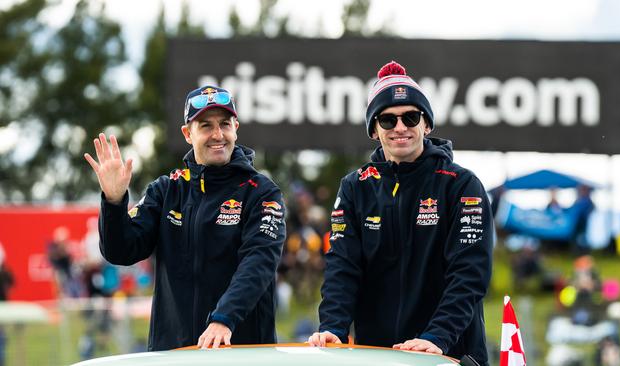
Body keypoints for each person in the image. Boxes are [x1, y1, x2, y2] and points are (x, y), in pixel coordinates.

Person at [308, 61, 494, 365]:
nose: (400, 127)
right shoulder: (355, 187)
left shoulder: (462, 185)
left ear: (427, 124)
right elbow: (343, 267)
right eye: (387, 120)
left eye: (411, 117)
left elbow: (470, 273)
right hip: (378, 356)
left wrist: (437, 337)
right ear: (373, 129)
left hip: (446, 353)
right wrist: (333, 328)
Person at [84, 85, 286, 351]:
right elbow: (121, 252)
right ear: (187, 134)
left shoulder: (261, 192)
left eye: (225, 124)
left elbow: (259, 262)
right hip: (173, 354)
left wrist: (224, 318)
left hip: (239, 350)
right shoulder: (166, 190)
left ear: (236, 127)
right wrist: (113, 202)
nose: (217, 135)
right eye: (205, 126)